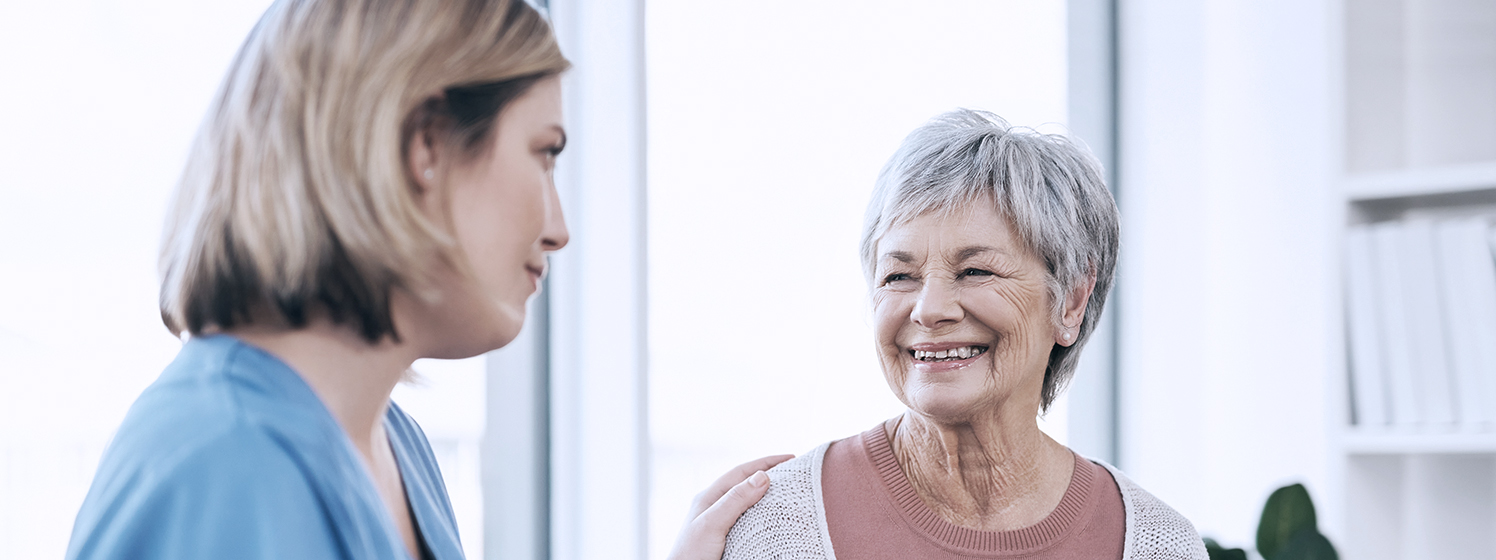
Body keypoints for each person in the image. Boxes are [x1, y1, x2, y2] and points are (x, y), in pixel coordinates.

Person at [64, 1, 786, 558]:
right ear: (426, 146)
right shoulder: (218, 468)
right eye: (544, 153)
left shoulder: (393, 445)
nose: (558, 226)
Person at [721, 110, 1206, 560]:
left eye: (975, 271)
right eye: (897, 276)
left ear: (1071, 301)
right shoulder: (778, 529)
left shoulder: (1155, 545)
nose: (929, 310)